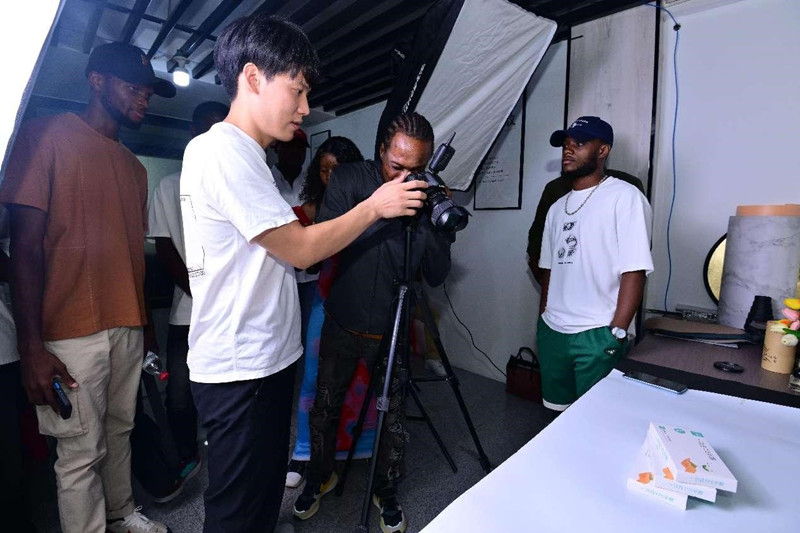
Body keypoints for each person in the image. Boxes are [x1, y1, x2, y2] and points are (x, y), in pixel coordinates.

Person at [179, 15, 428, 533]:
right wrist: (376, 207)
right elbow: (300, 250)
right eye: (297, 90)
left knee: (263, 491)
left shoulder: (252, 158)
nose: (305, 108)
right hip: (239, 364)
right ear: (252, 77)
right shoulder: (222, 151)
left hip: (265, 358)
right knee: (236, 509)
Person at [0, 42, 175, 533]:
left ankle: (120, 514)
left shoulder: (134, 168)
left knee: (121, 430)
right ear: (97, 81)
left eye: (148, 90)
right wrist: (32, 346)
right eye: (132, 86)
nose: (144, 97)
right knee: (79, 452)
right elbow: (25, 252)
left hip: (127, 325)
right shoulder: (43, 137)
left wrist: (148, 332)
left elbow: (127, 255)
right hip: (69, 331)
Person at [294, 112, 453, 533]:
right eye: (396, 166)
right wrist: (380, 209)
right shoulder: (348, 179)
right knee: (326, 406)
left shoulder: (424, 193)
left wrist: (439, 225)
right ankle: (317, 477)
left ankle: (387, 491)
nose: (404, 177)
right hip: (343, 319)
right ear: (381, 149)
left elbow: (436, 274)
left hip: (394, 325)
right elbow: (328, 243)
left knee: (393, 415)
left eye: (415, 170)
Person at [536, 116, 654, 414]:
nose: (568, 150)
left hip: (596, 334)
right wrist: (543, 321)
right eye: (565, 144)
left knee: (596, 421)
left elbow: (634, 269)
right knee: (553, 415)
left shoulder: (625, 197)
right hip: (553, 333)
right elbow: (549, 270)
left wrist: (615, 332)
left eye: (579, 143)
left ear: (602, 150)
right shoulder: (555, 208)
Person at [146, 100, 229, 500]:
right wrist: (200, 289)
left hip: (231, 311)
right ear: (193, 133)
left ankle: (227, 453)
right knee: (179, 393)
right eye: (206, 129)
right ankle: (185, 453)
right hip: (188, 310)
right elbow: (164, 247)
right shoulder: (170, 184)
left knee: (230, 389)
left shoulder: (233, 183)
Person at [285, 136, 376, 489]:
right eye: (323, 170)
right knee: (314, 375)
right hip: (326, 297)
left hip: (364, 298)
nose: (329, 176)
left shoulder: (368, 202)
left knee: (362, 377)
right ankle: (306, 450)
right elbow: (291, 245)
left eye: (336, 170)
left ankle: (360, 445)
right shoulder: (312, 206)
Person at [527, 168, 644, 285]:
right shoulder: (555, 191)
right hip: (564, 290)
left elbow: (637, 257)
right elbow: (535, 250)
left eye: (579, 147)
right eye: (565, 148)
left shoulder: (627, 189)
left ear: (603, 150)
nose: (568, 150)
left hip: (612, 292)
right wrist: (552, 293)